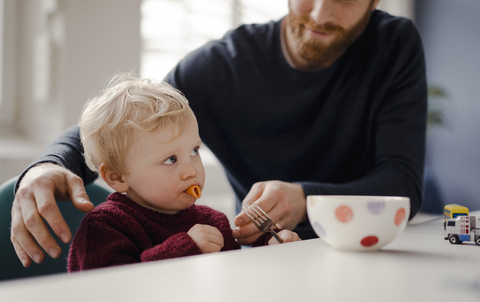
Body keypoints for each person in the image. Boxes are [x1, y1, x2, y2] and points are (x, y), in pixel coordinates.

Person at [11, 0, 427, 267]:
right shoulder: (221, 67)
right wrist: (47, 165)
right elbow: (123, 127)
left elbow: (402, 183)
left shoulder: (394, 45)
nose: (320, 14)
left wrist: (305, 202)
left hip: (367, 257)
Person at [67, 75, 299, 271]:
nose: (191, 171)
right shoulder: (104, 227)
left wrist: (271, 246)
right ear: (118, 177)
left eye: (194, 151)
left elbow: (234, 276)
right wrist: (185, 248)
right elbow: (113, 292)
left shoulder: (211, 221)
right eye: (170, 159)